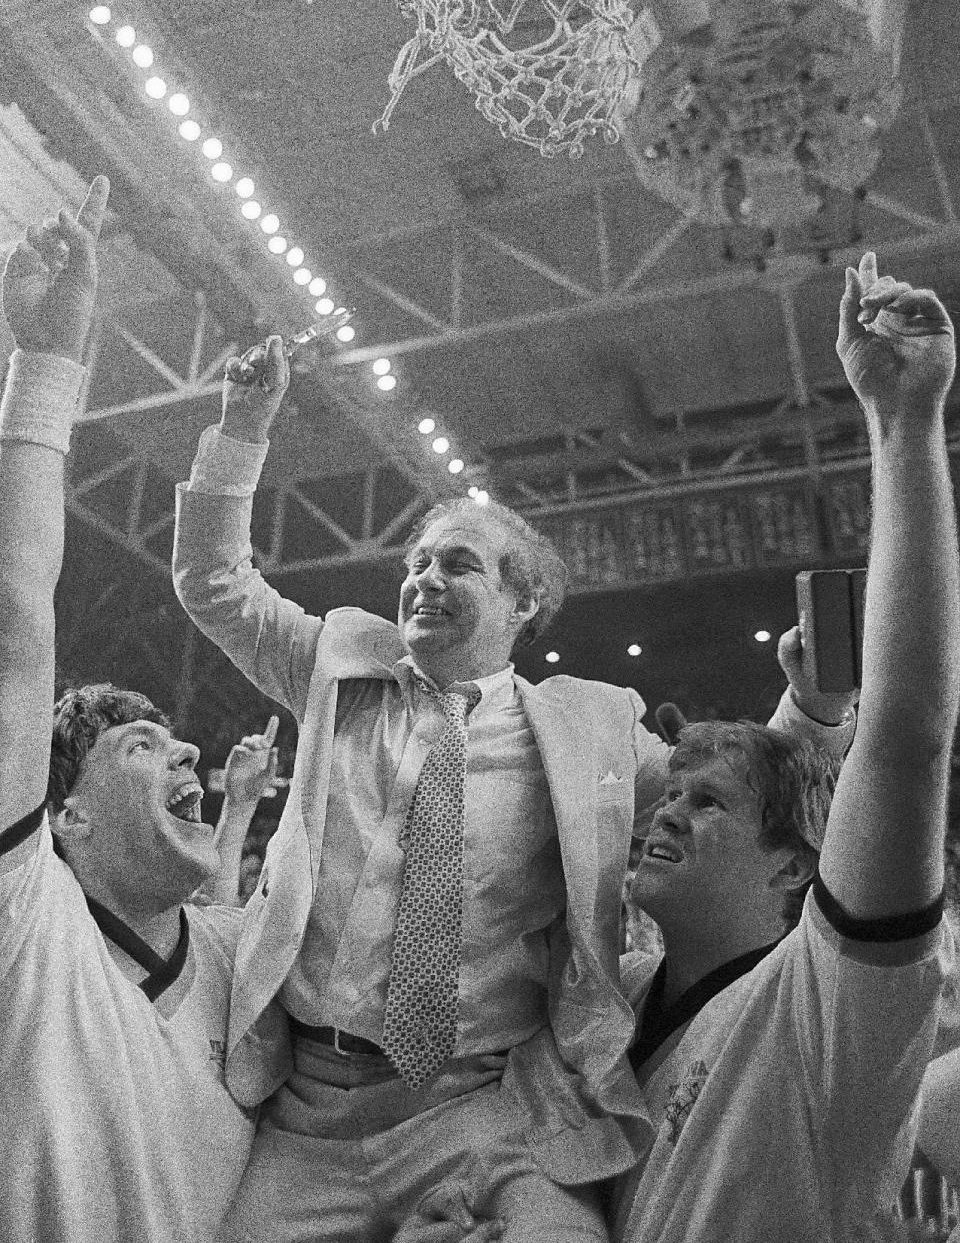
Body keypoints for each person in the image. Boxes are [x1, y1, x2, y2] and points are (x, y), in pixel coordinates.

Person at [172, 309, 854, 1239]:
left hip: (485, 1113)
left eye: (458, 565)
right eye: (415, 564)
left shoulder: (589, 728)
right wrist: (242, 428)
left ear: (524, 600)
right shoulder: (336, 661)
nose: (423, 581)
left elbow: (732, 790)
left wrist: (811, 711)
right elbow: (213, 583)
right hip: (305, 1120)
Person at [587, 254, 959, 1242]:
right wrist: (802, 706)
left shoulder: (823, 1007)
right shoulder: (611, 1003)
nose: (667, 808)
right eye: (674, 795)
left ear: (797, 861)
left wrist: (904, 421)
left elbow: (910, 736)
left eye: (704, 805)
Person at [0, 178, 275, 1242]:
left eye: (174, 735)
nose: (186, 745)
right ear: (62, 819)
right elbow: (20, 625)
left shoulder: (246, 972)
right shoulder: (30, 926)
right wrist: (46, 366)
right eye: (140, 740)